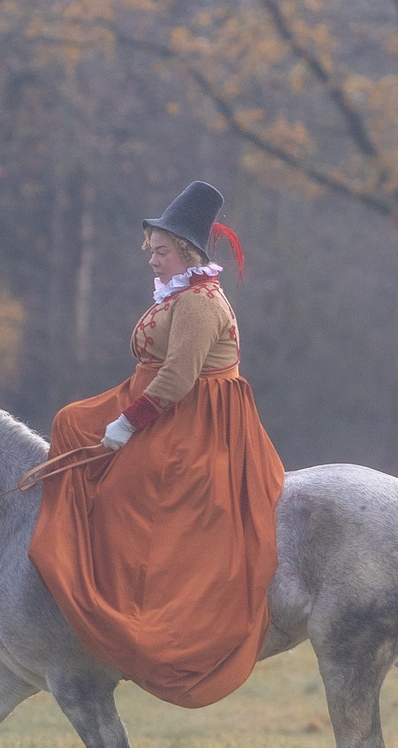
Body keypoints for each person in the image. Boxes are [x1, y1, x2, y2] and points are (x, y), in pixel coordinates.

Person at [28, 180, 287, 708]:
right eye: (151, 250)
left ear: (187, 252)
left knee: (126, 486)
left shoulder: (198, 303)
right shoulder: (179, 294)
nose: (152, 259)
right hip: (157, 395)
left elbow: (180, 376)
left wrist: (129, 423)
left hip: (197, 417)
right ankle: (69, 560)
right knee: (72, 423)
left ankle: (122, 601)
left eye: (161, 251)